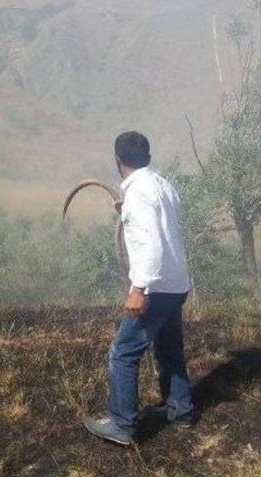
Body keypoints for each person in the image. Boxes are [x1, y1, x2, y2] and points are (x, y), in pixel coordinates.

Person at [84, 131, 194, 445]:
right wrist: (128, 212)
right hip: (175, 285)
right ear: (147, 157)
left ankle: (122, 425)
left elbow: (151, 244)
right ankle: (179, 408)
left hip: (156, 288)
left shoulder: (138, 193)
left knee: (123, 353)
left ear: (118, 160)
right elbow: (160, 224)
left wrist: (139, 289)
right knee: (169, 348)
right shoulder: (162, 185)